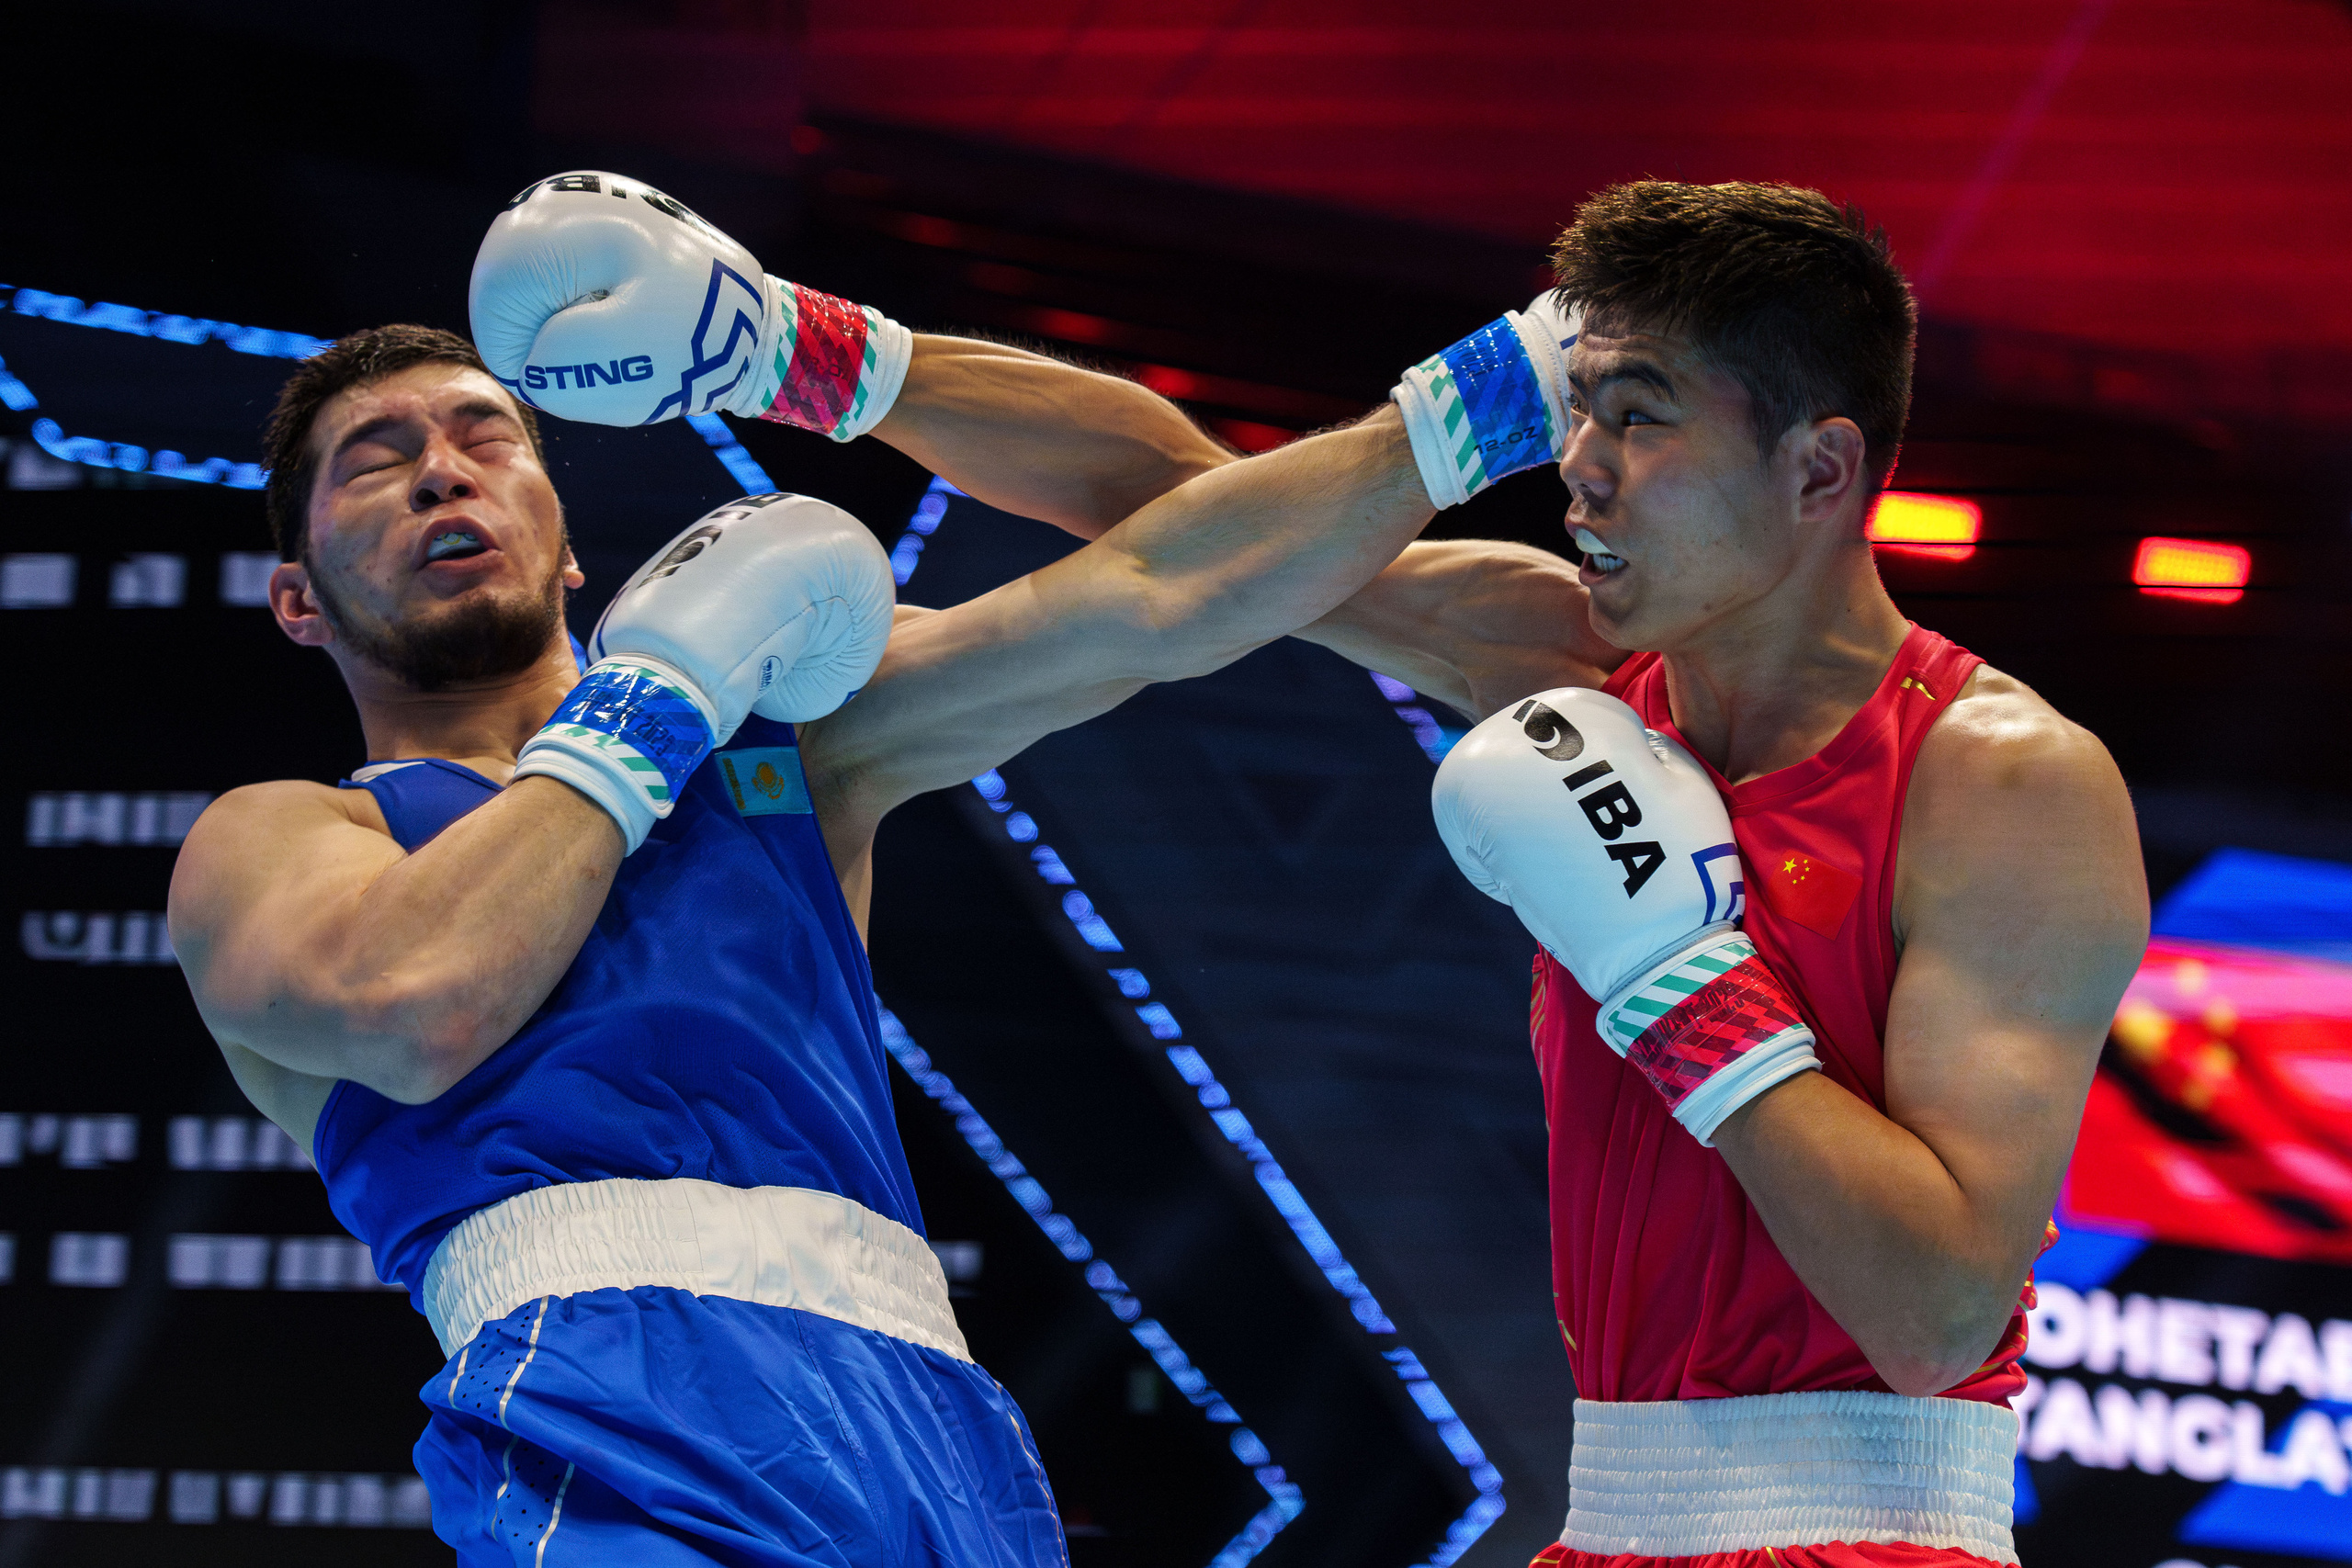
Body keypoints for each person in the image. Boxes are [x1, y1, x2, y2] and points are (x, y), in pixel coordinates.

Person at [549, 175, 2143, 1566]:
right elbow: (1179, 516)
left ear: (1820, 469)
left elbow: (1935, 1320)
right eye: (1584, 409)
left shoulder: (2002, 781)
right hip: (1610, 1521)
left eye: (1644, 415)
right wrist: (790, 350)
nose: (1582, 465)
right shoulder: (1562, 659)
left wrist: (1685, 985)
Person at [164, 256, 1441, 1557]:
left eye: (485, 439)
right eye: (376, 463)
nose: (444, 473)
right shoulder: (282, 838)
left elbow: (1154, 594)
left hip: (930, 1424)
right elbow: (412, 1007)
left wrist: (1483, 400)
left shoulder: (778, 743)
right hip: (607, 1409)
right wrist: (643, 709)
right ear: (298, 600)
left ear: (566, 545)